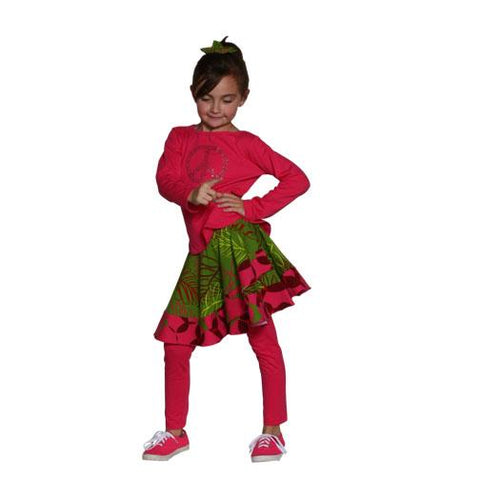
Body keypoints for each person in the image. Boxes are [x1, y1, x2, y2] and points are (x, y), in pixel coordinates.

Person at [142, 36, 311, 463]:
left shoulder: (248, 144)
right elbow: (165, 179)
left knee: (262, 336)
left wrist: (252, 208)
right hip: (202, 254)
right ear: (193, 93)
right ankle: (174, 431)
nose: (216, 108)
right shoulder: (179, 138)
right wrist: (190, 193)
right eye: (206, 98)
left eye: (227, 99)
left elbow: (297, 179)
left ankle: (273, 431)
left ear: (244, 98)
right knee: (175, 341)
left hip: (240, 249)